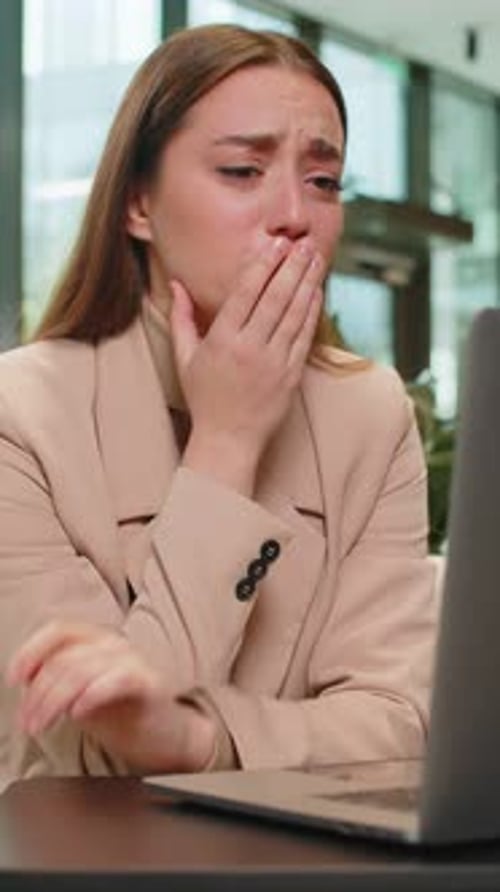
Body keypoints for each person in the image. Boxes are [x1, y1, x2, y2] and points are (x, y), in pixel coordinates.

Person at [0, 24, 436, 787]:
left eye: (324, 183)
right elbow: (94, 754)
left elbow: (399, 724)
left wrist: (201, 738)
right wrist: (227, 440)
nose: (294, 215)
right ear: (138, 203)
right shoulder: (21, 416)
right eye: (242, 169)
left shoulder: (371, 412)